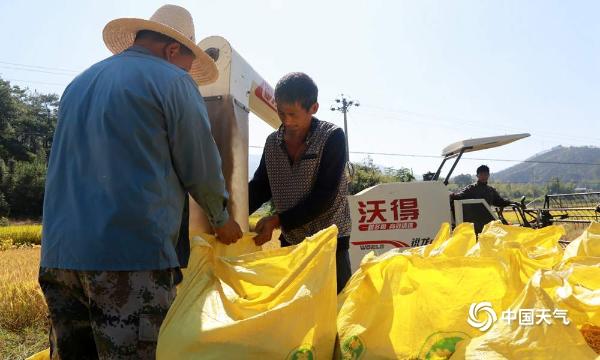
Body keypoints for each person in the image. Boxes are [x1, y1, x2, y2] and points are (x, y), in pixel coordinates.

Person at [39, 5, 242, 359]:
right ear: (172, 49)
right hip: (128, 261)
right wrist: (221, 219)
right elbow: (201, 165)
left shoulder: (78, 84)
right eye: (186, 64)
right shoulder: (173, 81)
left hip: (59, 258)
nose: (186, 73)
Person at [249, 72, 352, 294]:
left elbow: (324, 196)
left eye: (293, 114)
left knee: (335, 309)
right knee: (296, 312)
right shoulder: (272, 142)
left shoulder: (332, 137)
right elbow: (260, 187)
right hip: (292, 241)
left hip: (330, 242)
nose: (286, 121)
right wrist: (231, 215)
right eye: (281, 112)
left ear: (313, 108)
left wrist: (277, 220)